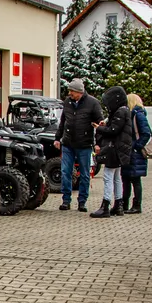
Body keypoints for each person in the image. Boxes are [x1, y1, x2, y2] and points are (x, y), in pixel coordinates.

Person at [54, 78, 103, 212]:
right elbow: (63, 122)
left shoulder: (92, 103)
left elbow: (100, 125)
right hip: (68, 143)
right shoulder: (68, 102)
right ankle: (66, 200)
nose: (70, 93)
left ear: (79, 92)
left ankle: (82, 201)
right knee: (65, 172)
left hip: (84, 144)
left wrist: (98, 143)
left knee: (85, 174)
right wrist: (58, 138)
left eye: (72, 91)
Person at [91, 86, 132, 217]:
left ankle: (106, 205)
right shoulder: (124, 111)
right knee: (116, 177)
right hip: (120, 150)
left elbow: (114, 130)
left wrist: (99, 128)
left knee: (108, 176)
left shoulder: (120, 112)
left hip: (114, 149)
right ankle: (118, 204)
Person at [121, 93, 152, 214]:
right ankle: (125, 204)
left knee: (134, 179)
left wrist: (136, 147)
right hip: (130, 152)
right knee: (127, 179)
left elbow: (146, 133)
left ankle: (136, 205)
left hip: (135, 153)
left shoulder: (138, 114)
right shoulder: (133, 114)